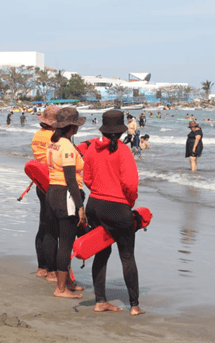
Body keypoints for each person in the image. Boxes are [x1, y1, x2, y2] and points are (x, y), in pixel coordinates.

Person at [83, 110, 144, 315]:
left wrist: (99, 191)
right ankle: (134, 306)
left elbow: (87, 179)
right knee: (127, 256)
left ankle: (100, 301)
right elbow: (130, 183)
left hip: (94, 205)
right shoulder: (123, 151)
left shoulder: (92, 149)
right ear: (120, 130)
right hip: (117, 207)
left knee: (101, 252)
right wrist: (129, 202)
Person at [45, 107, 87, 299]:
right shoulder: (68, 147)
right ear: (71, 127)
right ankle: (61, 289)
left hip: (52, 191)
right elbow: (71, 179)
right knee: (66, 243)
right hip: (66, 195)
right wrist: (80, 207)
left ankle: (67, 283)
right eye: (76, 125)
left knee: (64, 239)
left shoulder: (53, 143)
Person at [30, 105, 60, 280]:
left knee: (43, 224)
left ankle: (42, 267)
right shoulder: (55, 137)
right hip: (54, 181)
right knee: (52, 228)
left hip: (40, 180)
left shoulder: (37, 136)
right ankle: (51, 270)